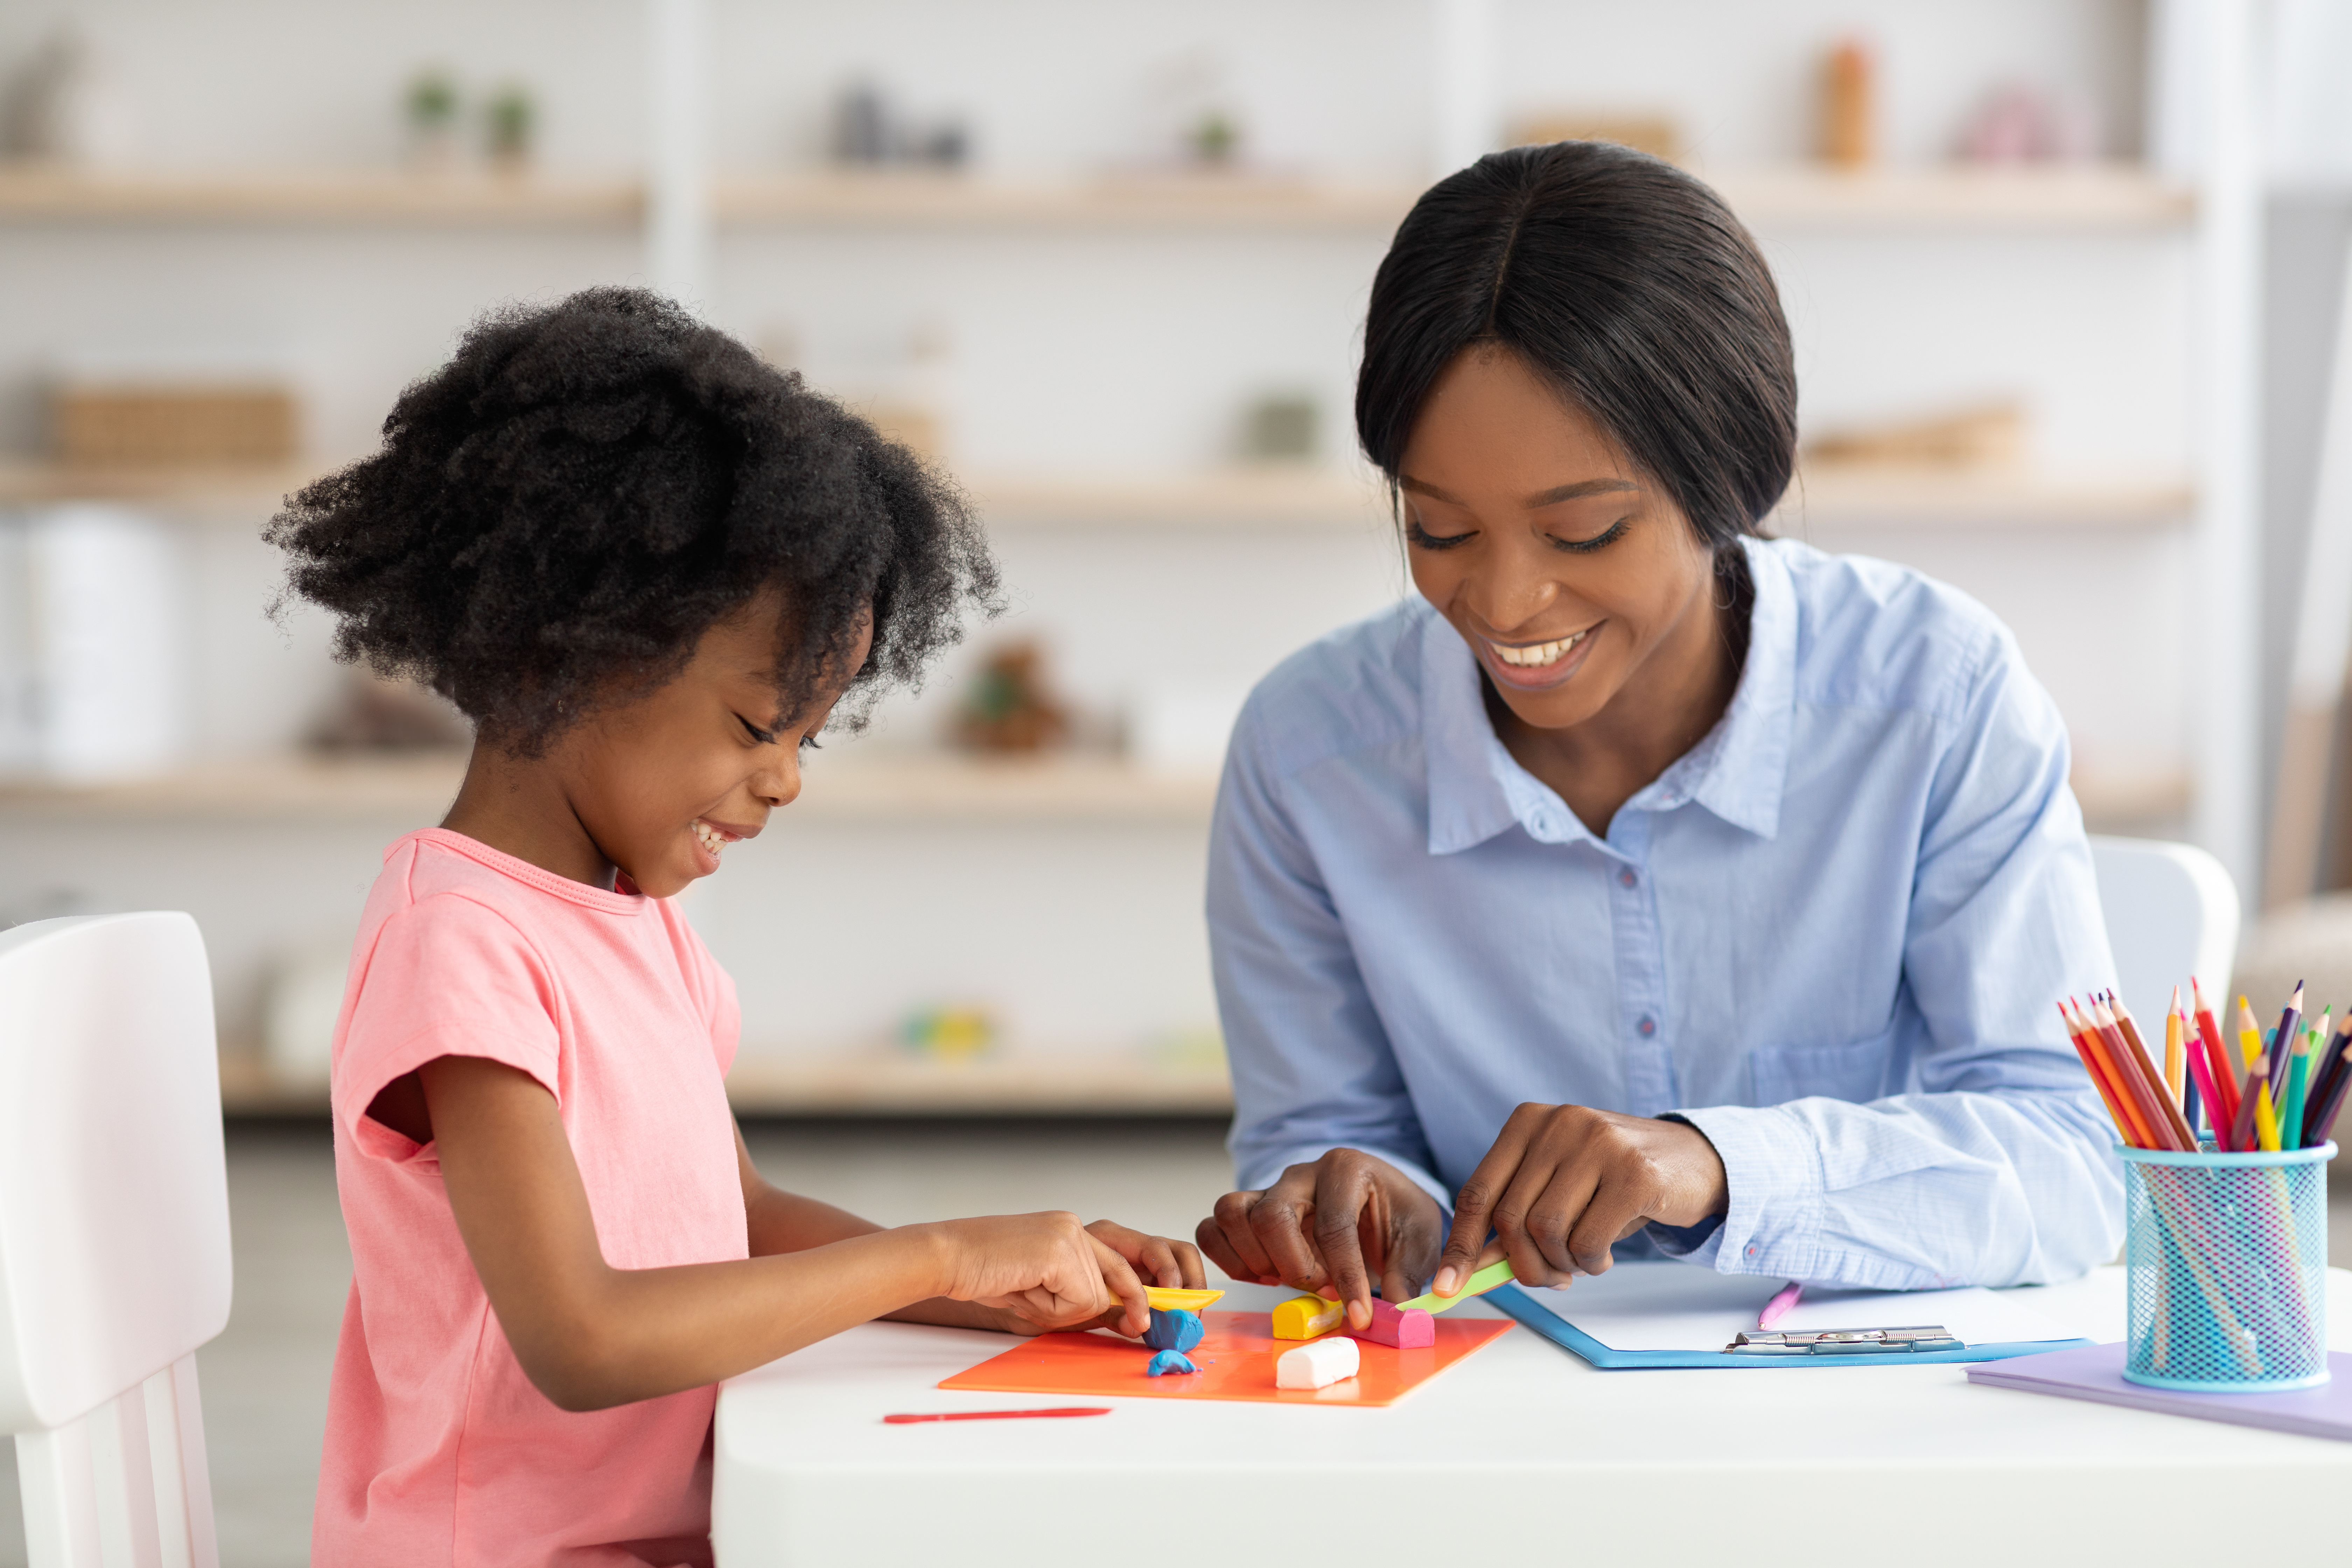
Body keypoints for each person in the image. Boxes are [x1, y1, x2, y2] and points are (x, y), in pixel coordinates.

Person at [273, 289, 1204, 1568]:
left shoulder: (632, 920)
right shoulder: (463, 945)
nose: (789, 780)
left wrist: (998, 1287)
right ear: (569, 653)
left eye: (811, 740)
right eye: (760, 727)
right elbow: (585, 1339)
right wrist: (942, 1248)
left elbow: (742, 1217)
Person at [1195, 141, 2123, 1331]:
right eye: (1437, 528)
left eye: (1583, 533)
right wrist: (1359, 1206)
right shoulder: (1307, 754)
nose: (1505, 601)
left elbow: (2074, 1163)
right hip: (1488, 1420)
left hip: (1858, 1409)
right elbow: (1326, 1139)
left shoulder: (1934, 697)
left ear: (1731, 483)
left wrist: (1718, 1163)